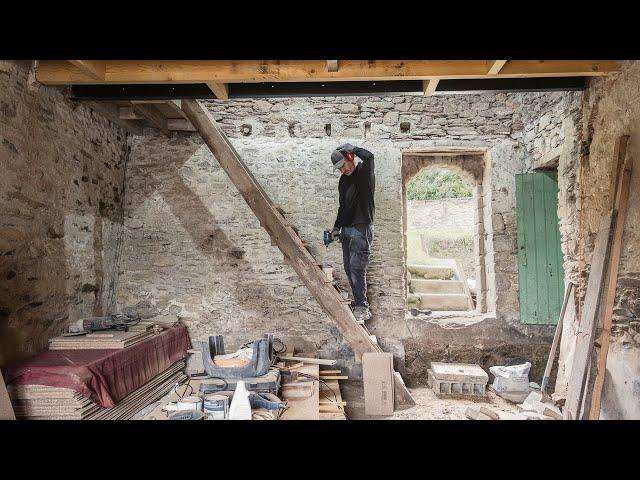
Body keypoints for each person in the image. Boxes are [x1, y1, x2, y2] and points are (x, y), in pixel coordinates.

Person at [329, 143, 375, 322]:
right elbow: (343, 207)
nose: (342, 170)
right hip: (347, 229)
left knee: (358, 267)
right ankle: (358, 302)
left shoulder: (364, 173)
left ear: (350, 159)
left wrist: (352, 148)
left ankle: (362, 307)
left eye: (343, 165)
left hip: (362, 226)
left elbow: (369, 156)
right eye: (339, 168)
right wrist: (336, 227)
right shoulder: (343, 181)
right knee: (349, 268)